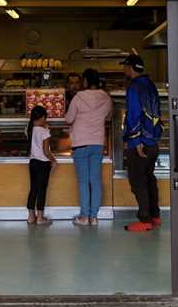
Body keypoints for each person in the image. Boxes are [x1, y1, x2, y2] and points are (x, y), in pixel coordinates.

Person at [120, 54, 163, 232]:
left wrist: (135, 139)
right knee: (149, 178)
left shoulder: (134, 87)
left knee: (138, 181)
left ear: (130, 67)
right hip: (153, 140)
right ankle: (155, 216)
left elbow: (134, 115)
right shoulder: (151, 85)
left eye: (125, 67)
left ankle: (144, 220)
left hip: (140, 143)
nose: (124, 70)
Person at [66, 68, 112, 226]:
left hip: (81, 143)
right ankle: (94, 217)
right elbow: (109, 116)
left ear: (85, 81)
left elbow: (69, 118)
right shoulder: (105, 97)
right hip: (98, 143)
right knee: (96, 180)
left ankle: (84, 217)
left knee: (83, 181)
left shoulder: (79, 97)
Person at [26, 105, 56, 226]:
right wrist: (54, 160)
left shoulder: (29, 129)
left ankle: (31, 217)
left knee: (33, 189)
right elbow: (46, 151)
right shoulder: (44, 131)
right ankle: (40, 218)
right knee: (42, 190)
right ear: (43, 117)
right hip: (43, 163)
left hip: (33, 162)